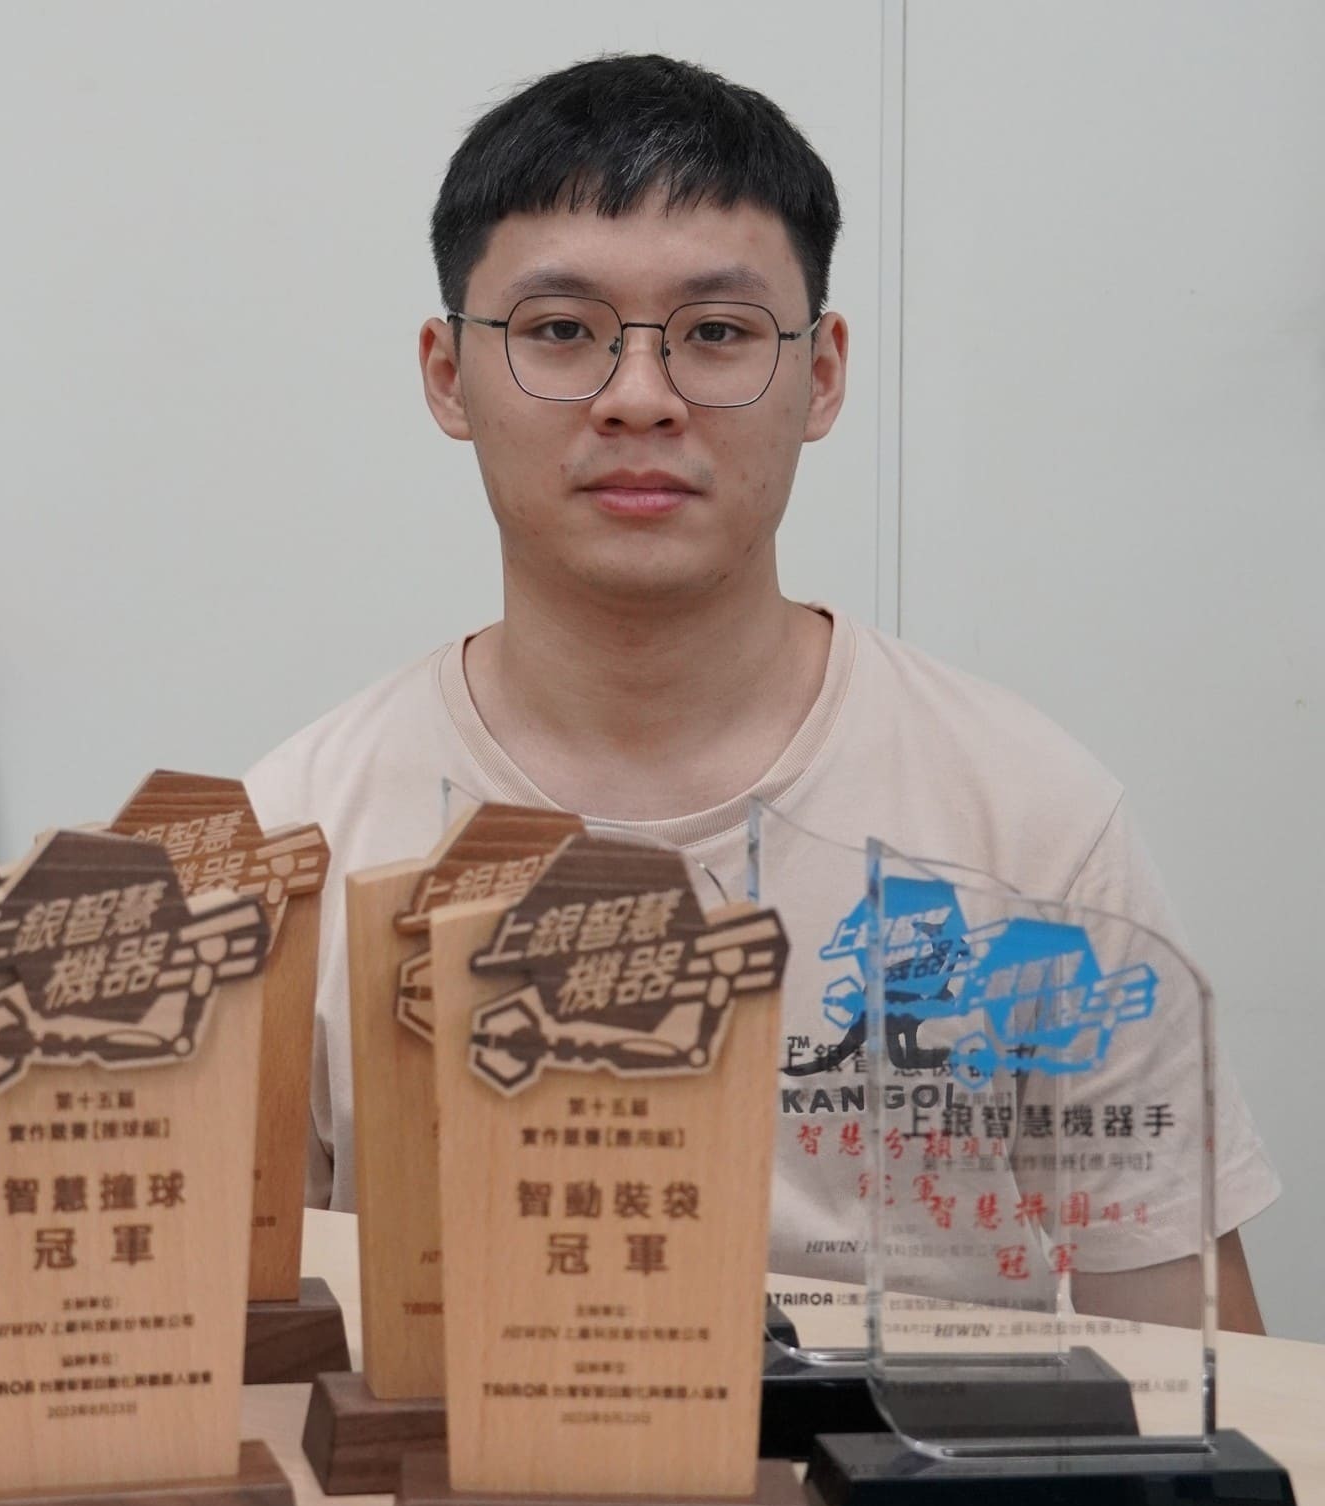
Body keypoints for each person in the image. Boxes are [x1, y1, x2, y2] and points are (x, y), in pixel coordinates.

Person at [244, 52, 1275, 1331]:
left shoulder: (1028, 825)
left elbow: (1191, 1365)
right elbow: (240, 1340)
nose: (637, 398)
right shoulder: (291, 837)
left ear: (821, 372)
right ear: (448, 374)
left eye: (716, 334)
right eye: (560, 332)